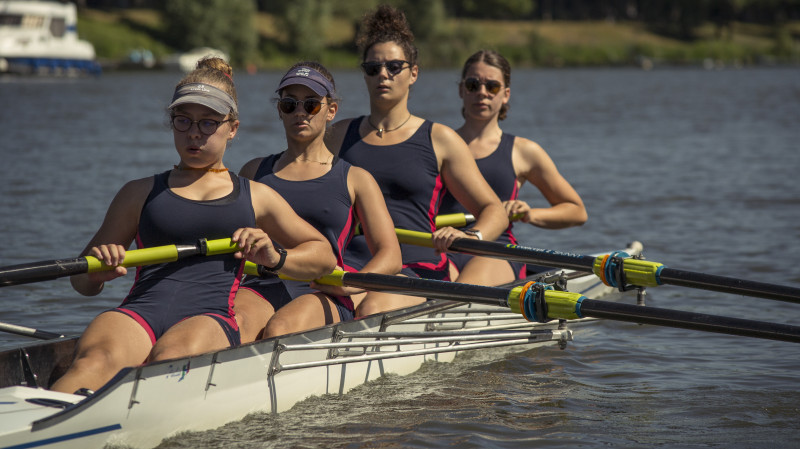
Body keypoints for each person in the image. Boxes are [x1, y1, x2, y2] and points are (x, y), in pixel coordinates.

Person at [51, 58, 335, 394]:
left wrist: (275, 257)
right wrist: (96, 273)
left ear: (233, 128)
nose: (194, 133)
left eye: (208, 123)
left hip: (209, 318)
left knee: (169, 357)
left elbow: (324, 257)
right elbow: (81, 282)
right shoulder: (137, 193)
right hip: (140, 312)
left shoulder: (256, 196)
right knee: (93, 362)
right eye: (183, 121)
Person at [325, 5, 509, 317]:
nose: (383, 74)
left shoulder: (440, 139)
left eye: (394, 67)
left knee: (371, 308)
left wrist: (470, 236)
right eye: (373, 68)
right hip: (351, 267)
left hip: (416, 268)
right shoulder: (337, 135)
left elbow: (494, 211)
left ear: (413, 73)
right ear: (365, 74)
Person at [234, 62, 401, 343]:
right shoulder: (253, 172)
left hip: (323, 287)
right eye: (289, 104)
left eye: (311, 104)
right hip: (265, 281)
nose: (300, 112)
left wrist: (354, 285)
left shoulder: (356, 179)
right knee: (234, 327)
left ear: (330, 110)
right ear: (280, 111)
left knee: (280, 329)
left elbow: (391, 255)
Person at [439, 50, 587, 286]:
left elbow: (577, 211)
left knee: (463, 288)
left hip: (496, 249)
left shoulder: (524, 152)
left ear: (506, 95)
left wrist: (530, 214)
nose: (482, 93)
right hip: (444, 244)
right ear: (461, 90)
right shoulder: (437, 144)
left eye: (493, 87)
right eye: (473, 85)